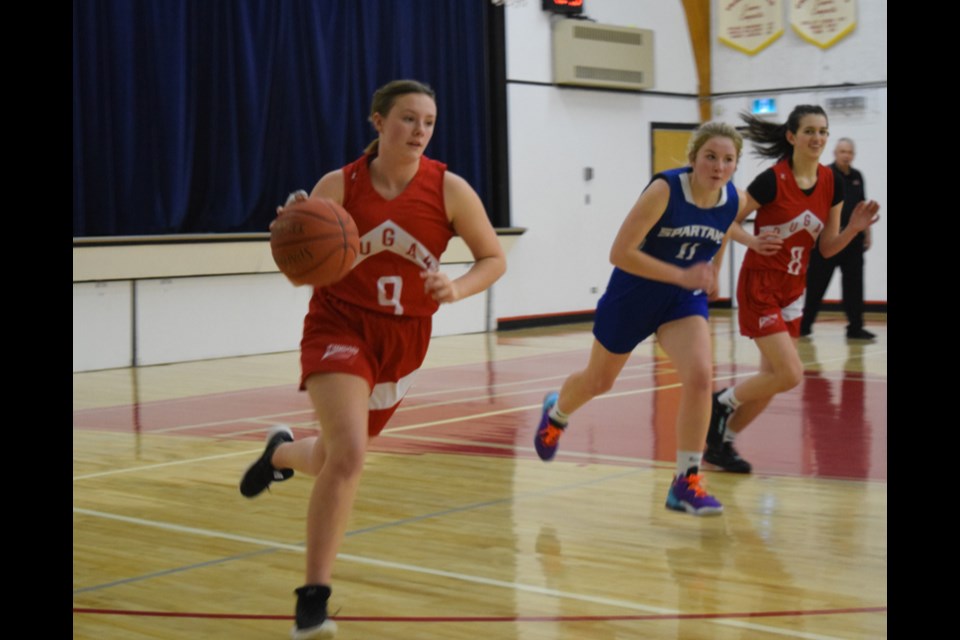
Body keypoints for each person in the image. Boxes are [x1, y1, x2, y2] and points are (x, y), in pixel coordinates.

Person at [238, 79, 506, 639]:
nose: (420, 131)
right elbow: (298, 253)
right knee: (351, 455)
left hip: (404, 340)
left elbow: (492, 258)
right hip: (339, 327)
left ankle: (281, 454)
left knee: (336, 455)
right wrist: (290, 231)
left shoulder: (450, 189)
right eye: (408, 119)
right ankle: (313, 598)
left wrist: (457, 287)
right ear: (378, 122)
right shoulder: (339, 185)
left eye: (428, 122)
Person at [534, 121, 754, 516]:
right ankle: (557, 412)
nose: (718, 166)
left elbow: (719, 235)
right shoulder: (665, 190)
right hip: (633, 295)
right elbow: (619, 253)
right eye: (710, 156)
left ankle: (685, 481)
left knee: (702, 376)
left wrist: (713, 271)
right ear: (692, 159)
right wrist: (681, 274)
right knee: (598, 381)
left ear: (736, 165)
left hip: (682, 301)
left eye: (728, 159)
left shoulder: (732, 200)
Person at [705, 106, 880, 474]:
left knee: (773, 382)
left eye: (823, 132)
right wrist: (750, 243)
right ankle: (722, 402)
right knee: (790, 373)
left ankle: (722, 445)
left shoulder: (831, 181)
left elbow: (827, 248)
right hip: (761, 287)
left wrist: (853, 227)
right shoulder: (772, 180)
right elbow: (725, 221)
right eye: (810, 131)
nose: (818, 138)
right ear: (792, 136)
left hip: (792, 291)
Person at [799, 138, 875, 340]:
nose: (846, 155)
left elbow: (861, 206)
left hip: (853, 241)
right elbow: (814, 204)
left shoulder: (857, 176)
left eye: (849, 152)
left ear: (853, 155)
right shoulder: (826, 174)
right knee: (816, 284)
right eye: (842, 151)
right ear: (835, 152)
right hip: (828, 239)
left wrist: (867, 233)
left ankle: (855, 328)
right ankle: (804, 326)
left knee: (854, 285)